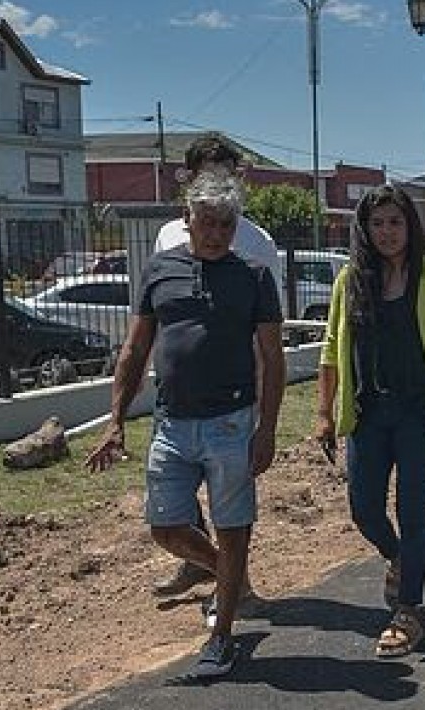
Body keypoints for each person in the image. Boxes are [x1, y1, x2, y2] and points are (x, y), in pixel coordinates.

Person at [85, 171, 286, 679]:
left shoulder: (254, 277)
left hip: (231, 424)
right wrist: (115, 422)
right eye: (207, 222)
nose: (216, 232)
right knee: (166, 526)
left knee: (234, 525)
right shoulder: (159, 271)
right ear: (187, 220)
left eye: (226, 223)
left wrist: (267, 430)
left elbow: (273, 357)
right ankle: (229, 576)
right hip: (171, 422)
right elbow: (134, 349)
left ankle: (221, 638)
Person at [313, 184, 425, 658]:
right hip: (367, 414)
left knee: (412, 511)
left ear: (411, 226)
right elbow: (330, 351)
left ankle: (409, 611)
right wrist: (324, 412)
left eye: (395, 222)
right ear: (364, 228)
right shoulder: (351, 280)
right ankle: (398, 557)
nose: (387, 232)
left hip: (420, 416)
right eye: (377, 223)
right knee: (364, 508)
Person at [148, 133, 278, 604]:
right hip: (177, 390)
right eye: (210, 174)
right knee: (175, 497)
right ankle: (205, 565)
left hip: (234, 389)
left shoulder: (255, 241)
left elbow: (267, 327)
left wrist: (265, 410)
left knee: (230, 497)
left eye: (229, 173)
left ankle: (232, 579)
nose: (221, 183)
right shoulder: (167, 235)